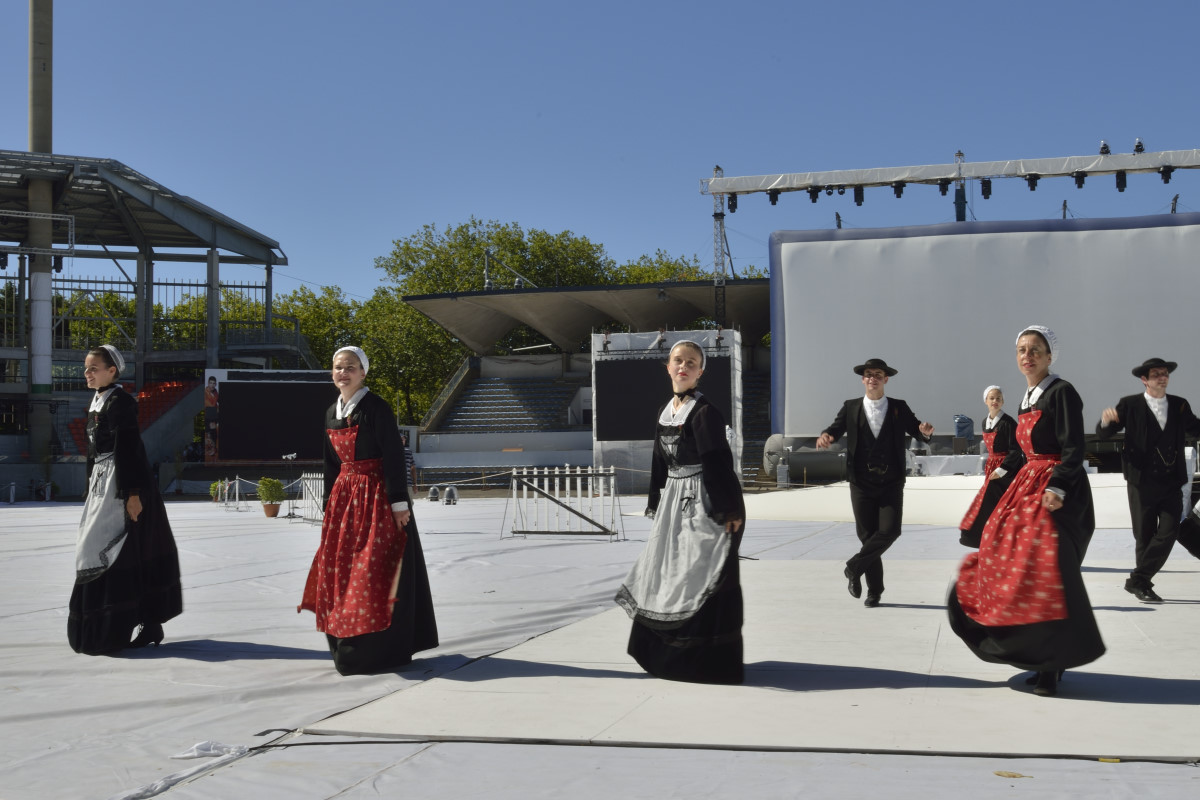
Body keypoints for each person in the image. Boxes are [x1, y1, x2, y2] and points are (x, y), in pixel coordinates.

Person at [948, 326, 1105, 697]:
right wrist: (1004, 481)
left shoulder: (1062, 392)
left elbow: (1073, 448)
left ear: (1050, 356)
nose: (1027, 356)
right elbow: (1023, 453)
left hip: (1057, 490)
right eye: (1022, 349)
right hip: (1028, 484)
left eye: (1035, 349)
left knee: (1046, 569)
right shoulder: (1026, 400)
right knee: (1008, 559)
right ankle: (1038, 654)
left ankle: (1051, 663)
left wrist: (1057, 487)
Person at [299, 346, 438, 675]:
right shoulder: (331, 412)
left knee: (376, 569)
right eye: (338, 367)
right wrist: (329, 505)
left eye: (350, 367)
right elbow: (331, 463)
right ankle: (346, 640)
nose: (343, 373)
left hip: (376, 498)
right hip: (345, 500)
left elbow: (393, 456)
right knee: (344, 569)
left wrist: (399, 503)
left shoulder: (376, 408)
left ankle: (383, 649)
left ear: (363, 373)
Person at [615, 340, 746, 684]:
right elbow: (659, 460)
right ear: (668, 367)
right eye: (678, 360)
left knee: (701, 573)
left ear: (700, 372)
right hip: (675, 500)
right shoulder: (666, 411)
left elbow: (718, 461)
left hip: (705, 499)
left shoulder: (705, 412)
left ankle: (706, 660)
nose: (683, 366)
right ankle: (668, 656)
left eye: (691, 362)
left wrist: (729, 509)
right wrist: (655, 500)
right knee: (669, 572)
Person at [69, 345, 182, 654]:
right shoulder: (99, 400)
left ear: (112, 371)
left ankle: (119, 627)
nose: (87, 373)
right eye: (86, 368)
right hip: (103, 483)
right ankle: (138, 622)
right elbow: (94, 452)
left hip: (120, 484)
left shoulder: (120, 402)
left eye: (93, 368)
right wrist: (90, 486)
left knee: (111, 550)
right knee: (107, 550)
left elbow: (130, 449)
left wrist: (132, 494)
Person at [816, 358, 933, 608]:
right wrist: (827, 435)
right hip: (861, 482)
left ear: (885, 379)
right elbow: (836, 428)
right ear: (863, 379)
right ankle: (874, 591)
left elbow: (916, 429)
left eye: (878, 374)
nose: (873, 378)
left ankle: (853, 567)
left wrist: (925, 431)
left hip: (891, 481)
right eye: (869, 374)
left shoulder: (898, 407)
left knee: (890, 531)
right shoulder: (851, 407)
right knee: (867, 536)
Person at [1095, 357, 1200, 603]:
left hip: (1171, 481)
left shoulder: (1179, 405)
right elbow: (1105, 433)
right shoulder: (1130, 404)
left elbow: (1196, 428)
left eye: (1165, 373)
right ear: (1144, 380)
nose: (1162, 378)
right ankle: (1143, 585)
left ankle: (1138, 580)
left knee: (1170, 530)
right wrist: (1106, 421)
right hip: (1141, 481)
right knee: (1144, 535)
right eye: (1156, 374)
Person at [958, 385, 1021, 548]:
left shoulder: (1008, 423)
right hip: (992, 467)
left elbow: (1016, 450)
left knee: (991, 502)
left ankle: (979, 537)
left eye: (998, 398)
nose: (995, 401)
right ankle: (989, 537)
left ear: (1003, 401)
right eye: (992, 398)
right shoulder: (984, 422)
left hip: (1007, 470)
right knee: (990, 501)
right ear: (985, 401)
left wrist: (1002, 469)